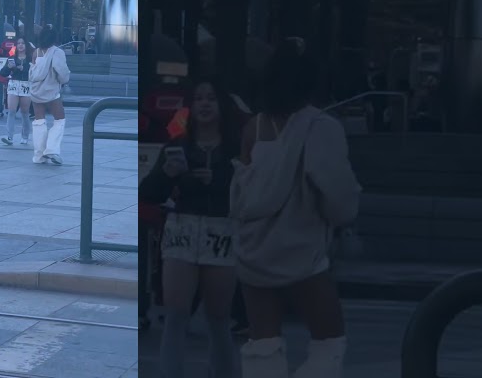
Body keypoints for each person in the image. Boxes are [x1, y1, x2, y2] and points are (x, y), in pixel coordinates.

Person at [231, 38, 361, 378]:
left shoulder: (254, 127)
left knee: (263, 346)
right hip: (302, 251)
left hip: (254, 249)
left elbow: (240, 192)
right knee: (328, 344)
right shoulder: (321, 127)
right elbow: (339, 198)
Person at [143, 78, 243, 378]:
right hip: (182, 230)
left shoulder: (235, 148)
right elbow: (149, 192)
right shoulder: (177, 146)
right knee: (175, 315)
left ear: (221, 105)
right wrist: (167, 173)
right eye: (199, 99)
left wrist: (219, 181)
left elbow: (248, 192)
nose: (204, 104)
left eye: (211, 98)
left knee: (219, 318)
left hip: (221, 231)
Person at [28, 27, 71, 165]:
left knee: (39, 121)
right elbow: (62, 73)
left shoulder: (36, 52)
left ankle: (39, 155)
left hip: (36, 90)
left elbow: (32, 71)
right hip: (51, 90)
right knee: (59, 119)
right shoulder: (57, 52)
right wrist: (64, 80)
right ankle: (52, 149)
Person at [0, 38, 32, 147]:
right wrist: (9, 68)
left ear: (26, 45)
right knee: (11, 110)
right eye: (18, 43)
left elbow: (34, 72)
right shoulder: (12, 58)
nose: (20, 45)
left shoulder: (30, 59)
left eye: (23, 43)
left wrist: (24, 68)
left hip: (25, 84)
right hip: (14, 84)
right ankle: (9, 136)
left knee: (25, 112)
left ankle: (25, 136)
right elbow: (2, 73)